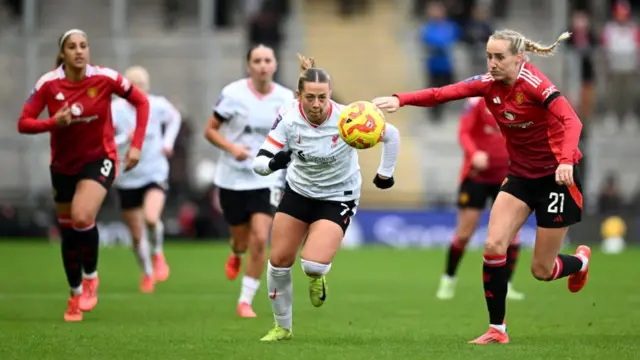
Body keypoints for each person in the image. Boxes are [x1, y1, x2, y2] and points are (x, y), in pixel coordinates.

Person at [373, 29, 592, 344]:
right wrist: (400, 99)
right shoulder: (487, 85)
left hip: (557, 178)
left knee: (542, 270)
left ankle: (581, 261)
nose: (492, 63)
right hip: (519, 177)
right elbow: (441, 94)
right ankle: (497, 330)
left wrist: (567, 160)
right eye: (489, 56)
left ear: (520, 58)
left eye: (500, 57)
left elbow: (572, 121)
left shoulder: (537, 86)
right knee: (492, 247)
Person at [252, 54, 401, 341]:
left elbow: (391, 135)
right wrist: (274, 163)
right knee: (279, 261)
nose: (317, 105)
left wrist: (385, 174)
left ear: (330, 93)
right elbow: (259, 162)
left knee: (313, 264)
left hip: (338, 196)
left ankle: (317, 276)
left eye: (322, 97)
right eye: (310, 97)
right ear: (299, 96)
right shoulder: (288, 116)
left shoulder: (349, 118)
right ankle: (282, 327)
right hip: (298, 191)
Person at [17, 29, 149, 322]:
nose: (79, 51)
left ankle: (91, 278)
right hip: (63, 166)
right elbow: (23, 123)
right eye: (72, 47)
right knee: (68, 231)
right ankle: (74, 293)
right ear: (62, 53)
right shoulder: (48, 84)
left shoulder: (104, 78)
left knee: (81, 216)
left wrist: (136, 145)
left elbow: (141, 101)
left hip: (100, 158)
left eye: (83, 46)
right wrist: (53, 122)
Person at [204, 44, 294, 318]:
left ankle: (245, 300)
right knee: (241, 242)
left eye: (268, 60)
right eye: (257, 60)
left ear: (275, 64)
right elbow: (210, 130)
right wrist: (233, 149)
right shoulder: (233, 94)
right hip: (232, 178)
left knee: (258, 239)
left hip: (267, 179)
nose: (263, 65)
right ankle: (235, 252)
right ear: (249, 66)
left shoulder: (286, 97)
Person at [436, 96, 524, 301]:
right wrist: (474, 153)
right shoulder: (476, 102)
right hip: (476, 176)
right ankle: (448, 279)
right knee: (464, 233)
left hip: (507, 176)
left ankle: (507, 284)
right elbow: (464, 132)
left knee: (511, 234)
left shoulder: (520, 100)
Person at [112, 66, 182, 293]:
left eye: (141, 85)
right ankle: (147, 273)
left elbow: (175, 118)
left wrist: (168, 143)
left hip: (154, 172)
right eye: (132, 86)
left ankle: (158, 253)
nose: (137, 91)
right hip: (127, 176)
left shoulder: (157, 105)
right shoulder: (115, 110)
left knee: (152, 218)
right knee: (136, 232)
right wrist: (125, 139)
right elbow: (106, 143)